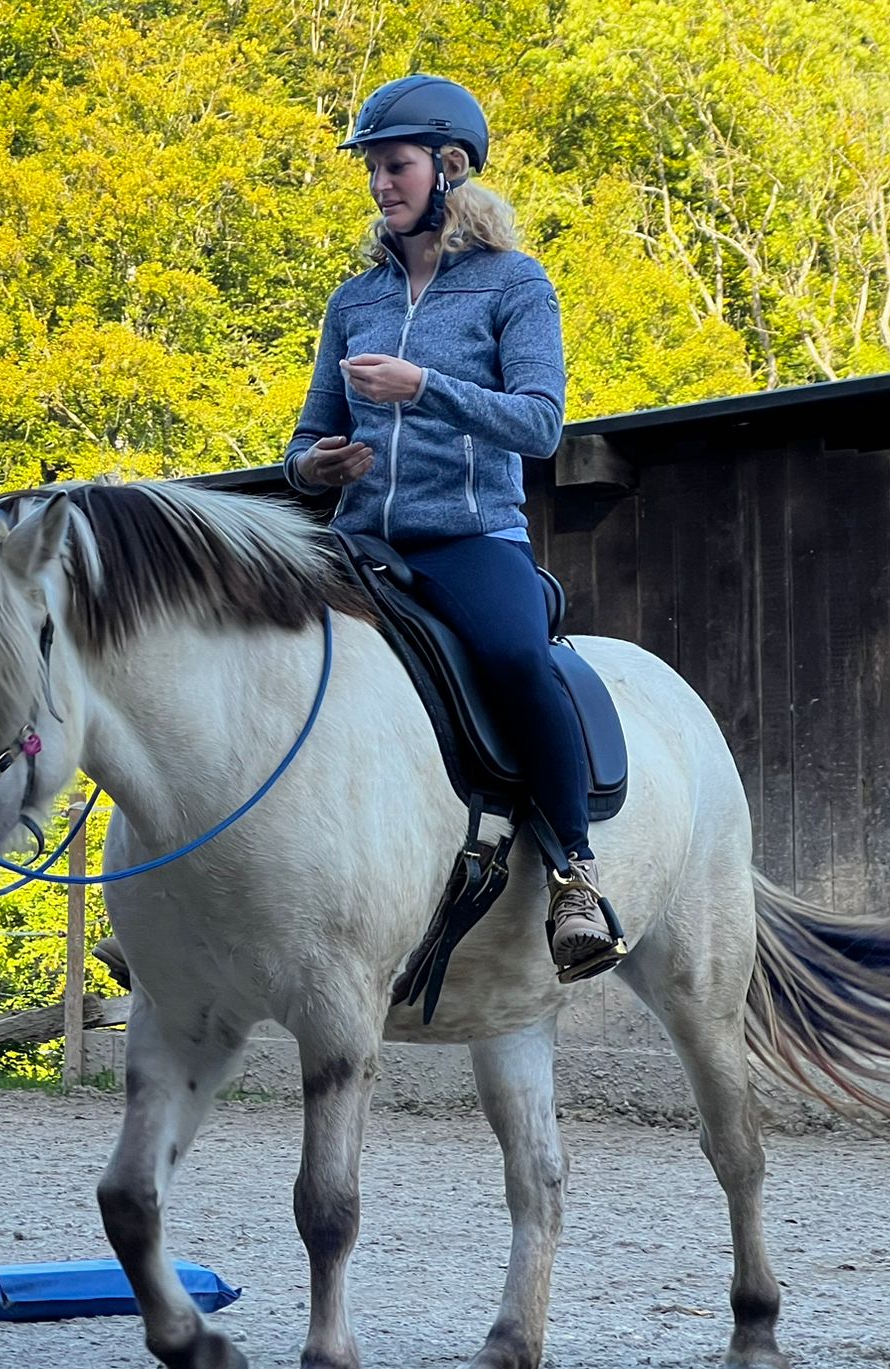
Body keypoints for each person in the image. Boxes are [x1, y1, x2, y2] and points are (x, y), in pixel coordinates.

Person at [283, 73, 623, 983]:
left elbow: (542, 426)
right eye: (373, 171)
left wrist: (424, 389)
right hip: (359, 542)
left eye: (394, 166)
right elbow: (307, 438)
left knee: (517, 660)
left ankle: (574, 876)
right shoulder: (353, 300)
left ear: (450, 166)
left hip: (473, 538)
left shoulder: (517, 285)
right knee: (250, 639)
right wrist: (315, 467)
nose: (380, 185)